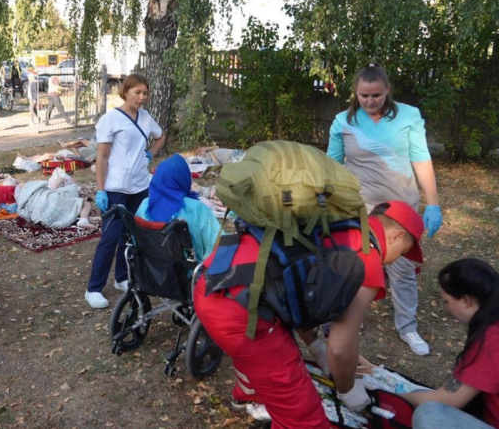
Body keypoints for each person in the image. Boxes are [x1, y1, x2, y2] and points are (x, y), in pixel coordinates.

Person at [194, 201, 425, 428]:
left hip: (214, 279)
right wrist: (348, 389)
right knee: (305, 419)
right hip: (239, 310)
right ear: (395, 236)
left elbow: (298, 289)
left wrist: (315, 344)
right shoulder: (367, 257)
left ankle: (248, 394)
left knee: (257, 357)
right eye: (402, 252)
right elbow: (340, 347)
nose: (395, 260)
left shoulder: (337, 225)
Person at [327, 64, 443, 356]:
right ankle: (350, 317)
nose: (370, 101)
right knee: (356, 265)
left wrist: (433, 203)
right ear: (356, 92)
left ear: (387, 90)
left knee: (402, 269)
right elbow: (331, 166)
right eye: (364, 95)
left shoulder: (409, 116)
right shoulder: (343, 121)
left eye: (376, 95)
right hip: (360, 207)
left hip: (400, 209)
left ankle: (407, 327)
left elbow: (421, 159)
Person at [85, 73, 165, 309]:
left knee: (131, 236)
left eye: (145, 93)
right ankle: (94, 289)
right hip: (116, 187)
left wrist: (151, 153)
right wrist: (101, 190)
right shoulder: (111, 120)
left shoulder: (146, 117)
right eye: (137, 92)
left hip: (140, 186)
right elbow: (102, 156)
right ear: (125, 92)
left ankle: (121, 277)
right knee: (110, 237)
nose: (141, 97)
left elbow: (160, 137)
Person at [403, 259, 499, 429]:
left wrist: (395, 397)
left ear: (466, 301)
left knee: (429, 413)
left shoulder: (492, 338)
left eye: (447, 301)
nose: (446, 308)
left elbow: (448, 399)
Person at [135, 154, 222, 262]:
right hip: (190, 273)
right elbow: (218, 246)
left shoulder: (145, 205)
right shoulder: (196, 208)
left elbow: (137, 241)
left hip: (152, 271)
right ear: (183, 178)